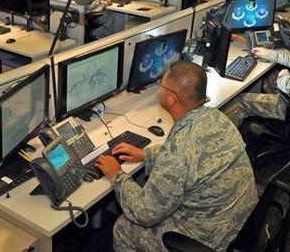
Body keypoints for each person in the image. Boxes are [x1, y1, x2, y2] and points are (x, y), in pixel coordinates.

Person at [94, 61, 257, 252]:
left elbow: (144, 212)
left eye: (161, 84)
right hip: (243, 222)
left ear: (171, 98)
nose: (159, 87)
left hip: (212, 240)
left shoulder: (178, 152)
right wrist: (146, 154)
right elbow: (194, 157)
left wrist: (117, 175)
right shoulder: (216, 117)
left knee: (123, 227)